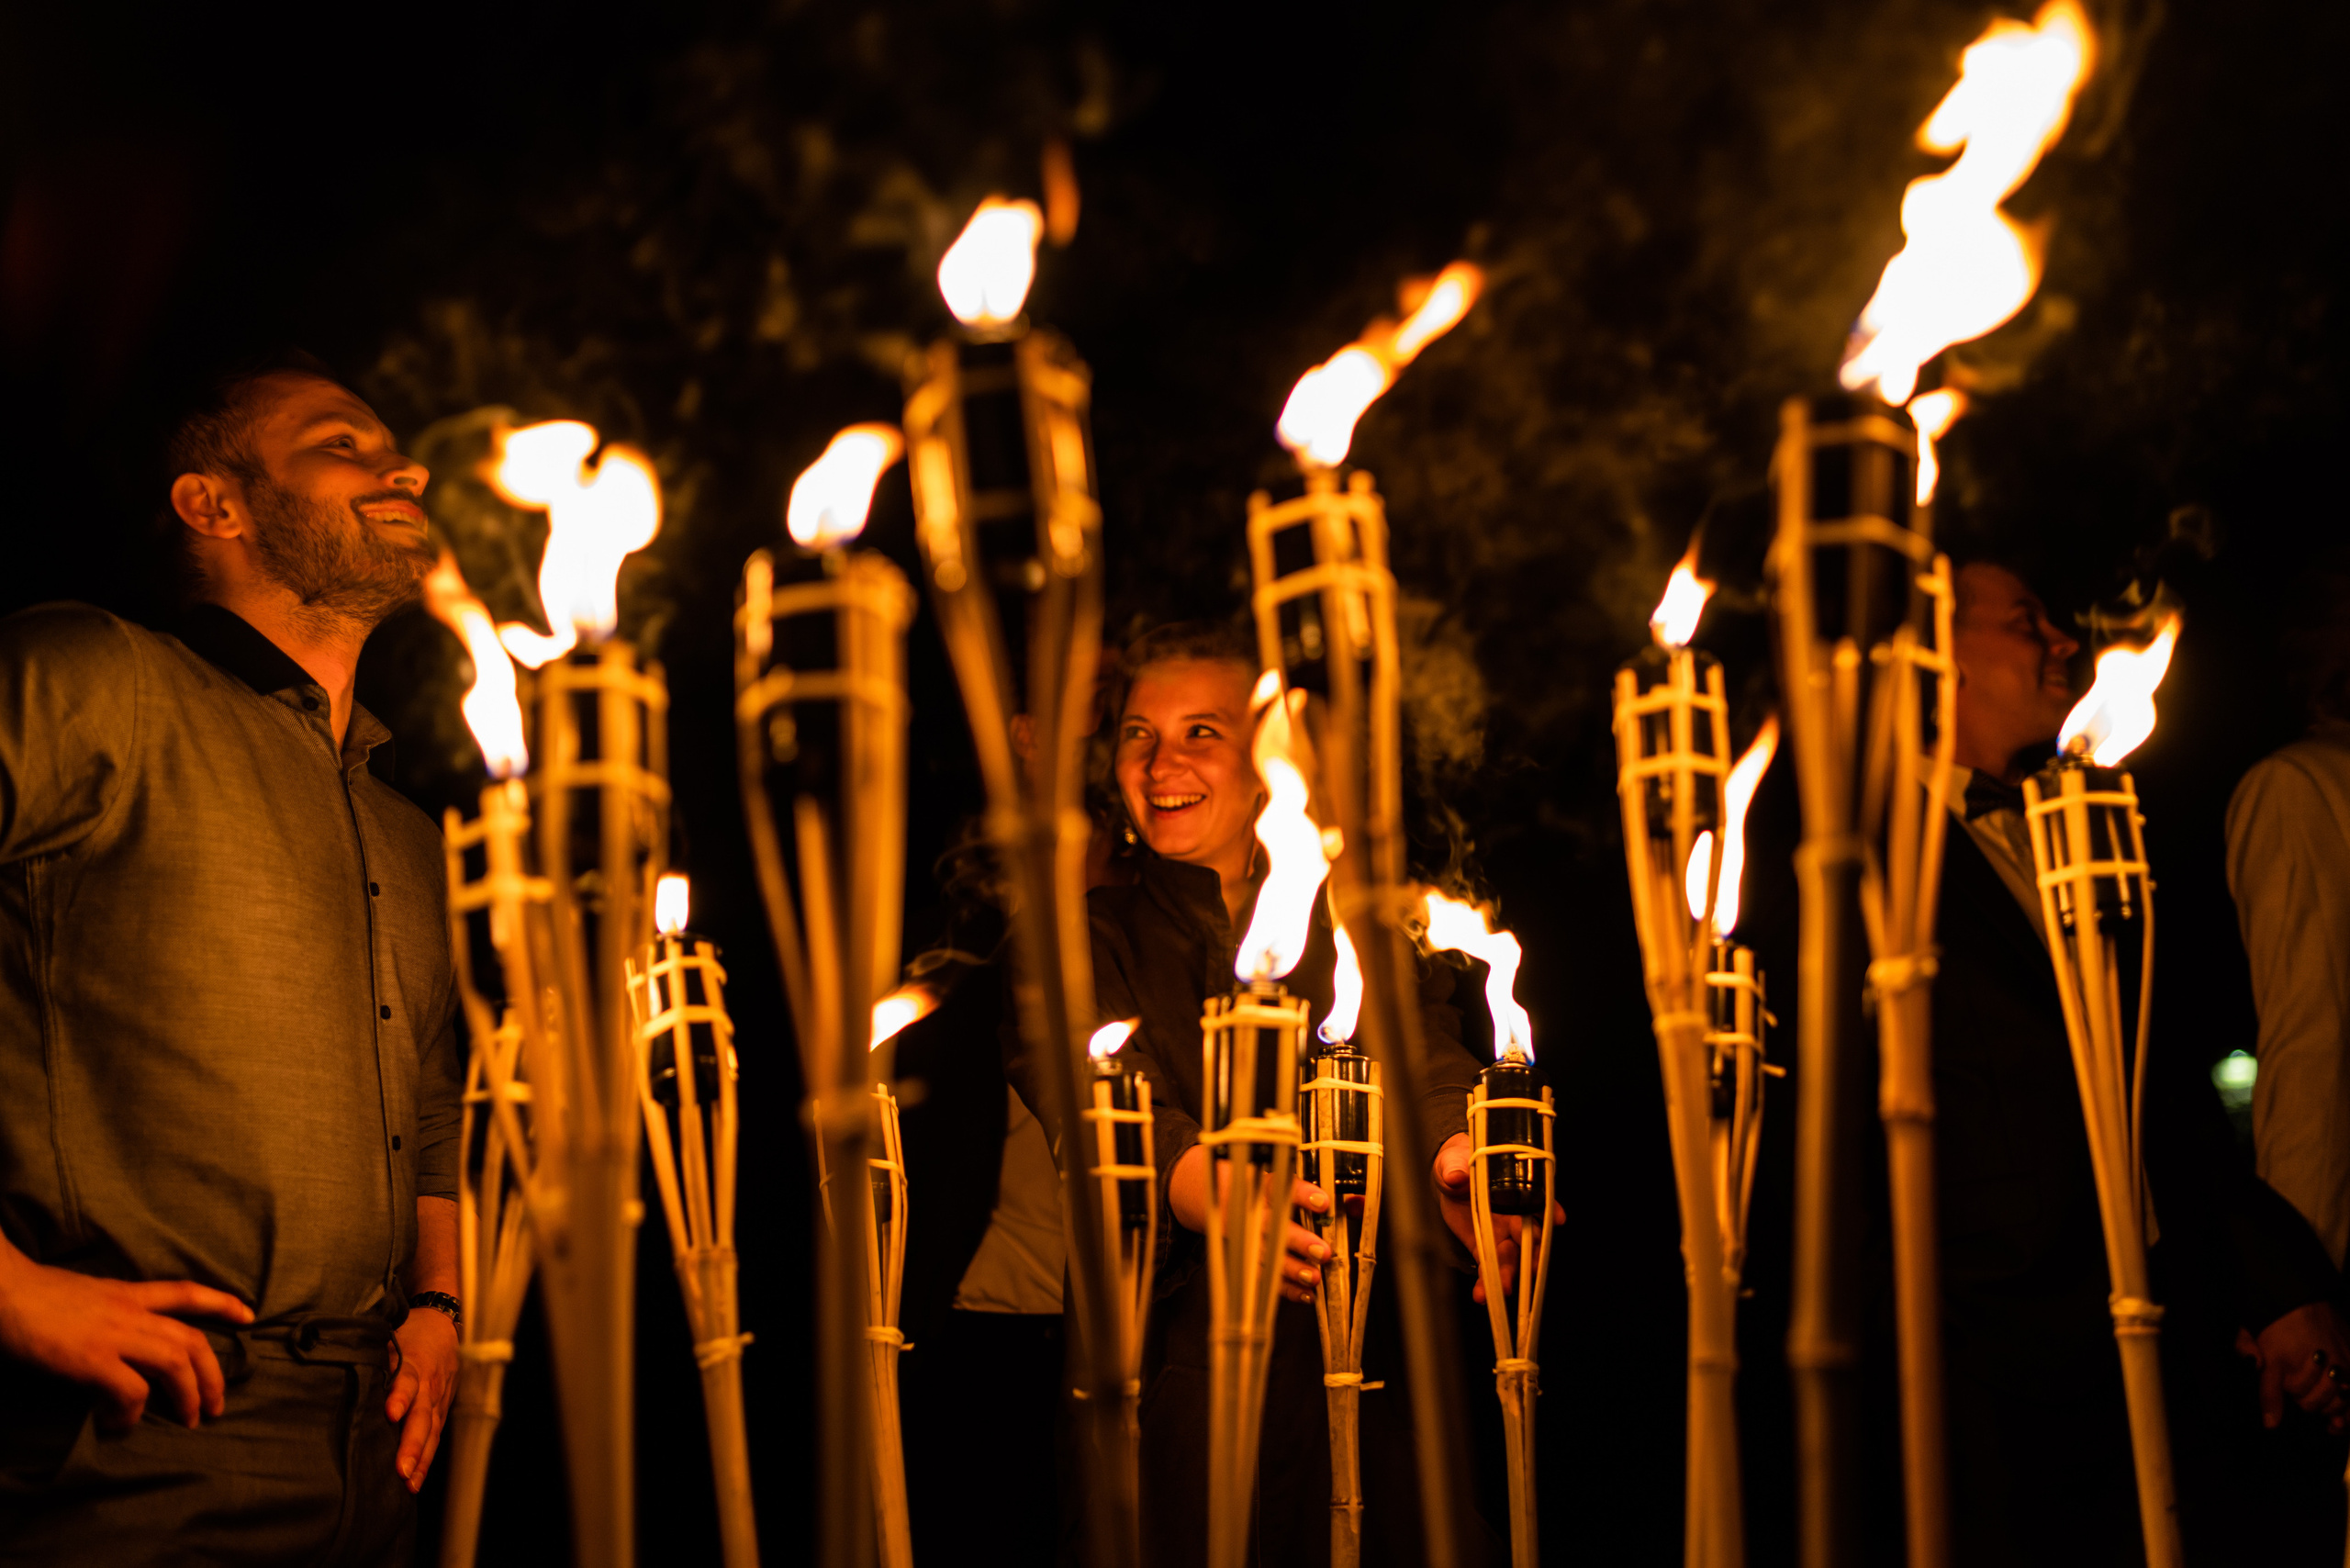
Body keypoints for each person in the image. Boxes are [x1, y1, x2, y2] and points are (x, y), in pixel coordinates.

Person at [0, 353, 464, 1565]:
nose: (401, 463)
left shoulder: (408, 834)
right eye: (342, 444)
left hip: (370, 1448)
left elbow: (432, 1098)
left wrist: (439, 1303)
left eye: (393, 446)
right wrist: (10, 1292)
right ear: (217, 505)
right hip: (131, 1442)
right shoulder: (93, 679)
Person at [1930, 557, 2344, 1564]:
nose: (2064, 639)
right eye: (2026, 620)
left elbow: (2159, 1092)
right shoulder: (1854, 868)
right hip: (1999, 1393)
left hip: (2173, 1349)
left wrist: (2278, 1283)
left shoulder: (2080, 830)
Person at [1081, 622, 1517, 1568]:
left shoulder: (1354, 921)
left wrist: (1458, 1157)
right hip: (1169, 1377)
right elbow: (1093, 1095)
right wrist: (1211, 1185)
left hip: (1359, 1367)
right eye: (1136, 732)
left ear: (1277, 750)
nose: (1161, 761)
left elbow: (1424, 1052)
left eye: (1203, 730)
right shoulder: (1091, 933)